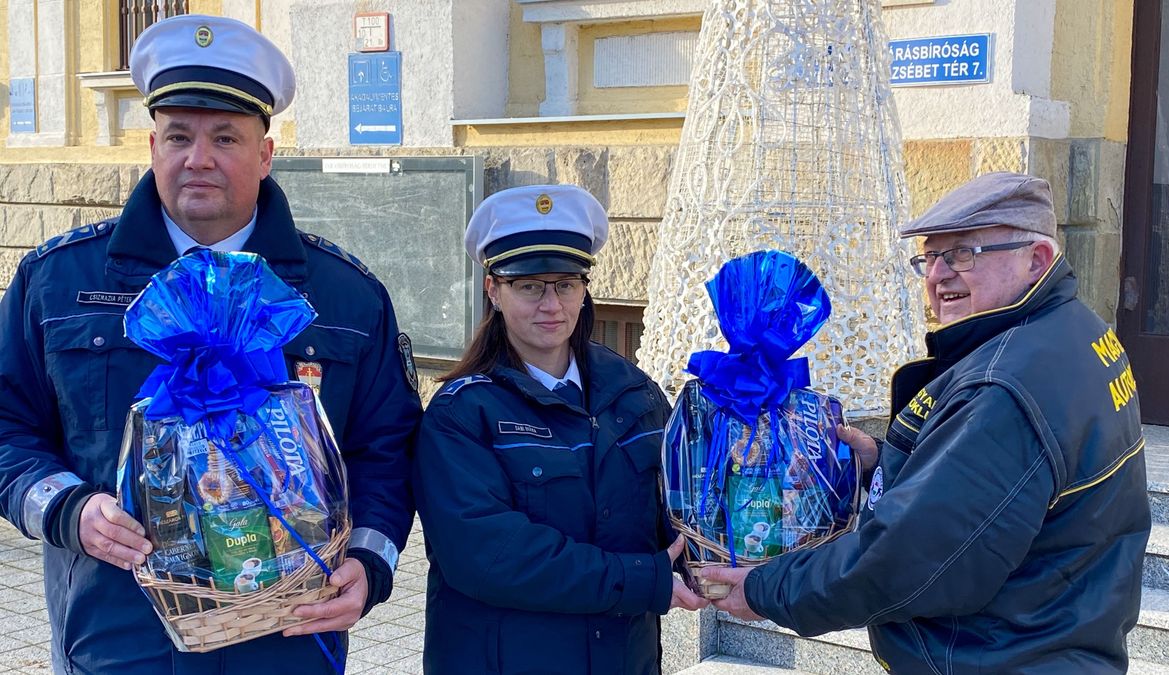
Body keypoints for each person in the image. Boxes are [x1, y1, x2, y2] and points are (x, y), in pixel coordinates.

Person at [0, 15, 422, 674]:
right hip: (117, 644)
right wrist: (65, 508)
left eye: (225, 136)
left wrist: (370, 563)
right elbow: (7, 425)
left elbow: (388, 451)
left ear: (266, 153)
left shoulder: (344, 298)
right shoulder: (58, 282)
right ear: (152, 146)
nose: (198, 158)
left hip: (284, 646)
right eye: (179, 135)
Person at [704, 172, 1150, 673]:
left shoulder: (1001, 387)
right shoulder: (1077, 330)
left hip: (1002, 657)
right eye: (929, 257)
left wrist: (767, 589)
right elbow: (1006, 493)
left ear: (1036, 260)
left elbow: (905, 560)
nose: (938, 275)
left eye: (963, 254)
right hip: (1060, 639)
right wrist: (884, 465)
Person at [414, 184, 708, 674]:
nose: (551, 304)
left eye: (567, 284)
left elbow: (680, 510)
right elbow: (490, 557)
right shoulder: (461, 413)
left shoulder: (635, 394)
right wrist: (642, 579)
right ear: (494, 290)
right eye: (530, 286)